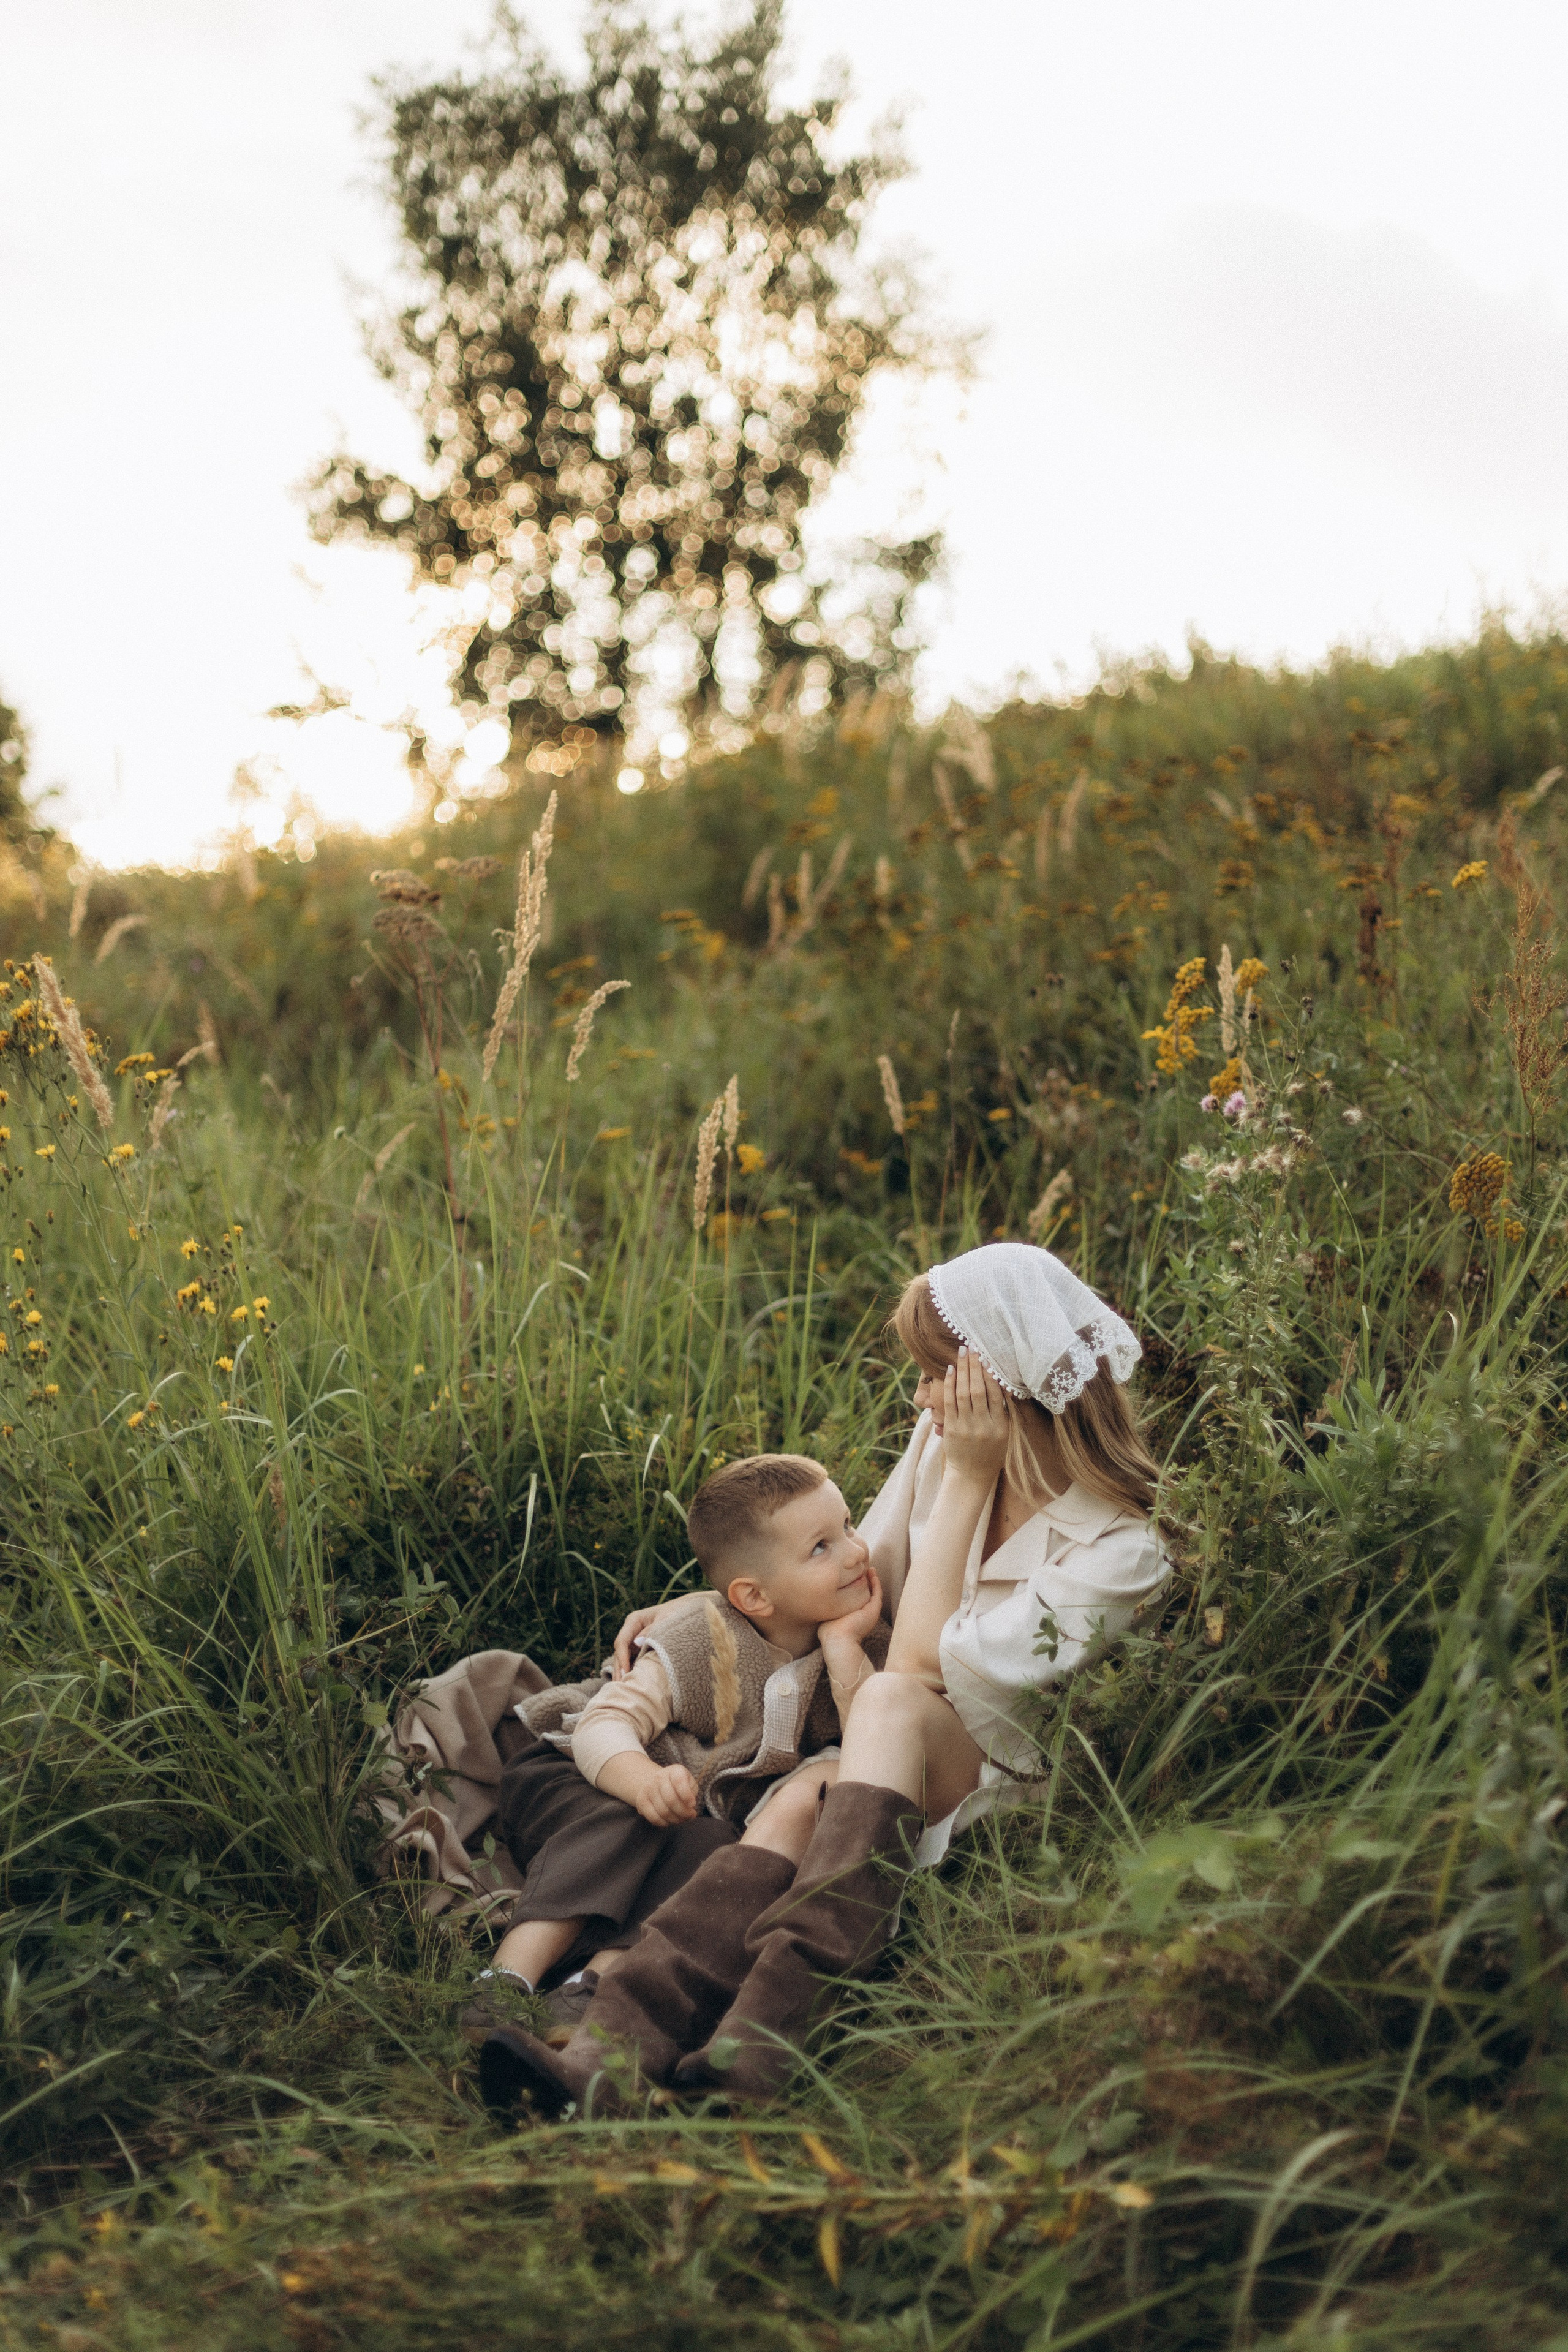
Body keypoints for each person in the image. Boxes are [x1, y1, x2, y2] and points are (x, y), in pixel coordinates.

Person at [480, 1241, 1171, 2117]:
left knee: (883, 1701)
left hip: (996, 1771)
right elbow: (859, 1578)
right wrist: (716, 1610)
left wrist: (966, 1482)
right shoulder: (941, 1439)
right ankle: (609, 2059)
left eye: (935, 1374)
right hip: (878, 1748)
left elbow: (921, 1671)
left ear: (1001, 1380)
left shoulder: (1121, 1552)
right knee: (799, 1799)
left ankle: (762, 2040)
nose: (922, 1399)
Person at [466, 1452, 887, 2054]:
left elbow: (870, 1747)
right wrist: (639, 1781)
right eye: (822, 1547)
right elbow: (604, 1723)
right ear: (754, 1597)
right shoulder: (701, 1634)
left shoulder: (860, 1635)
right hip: (577, 1776)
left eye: (849, 1525)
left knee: (718, 1859)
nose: (854, 1552)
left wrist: (845, 1651)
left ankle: (592, 1986)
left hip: (682, 1816)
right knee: (626, 1818)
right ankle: (505, 1979)